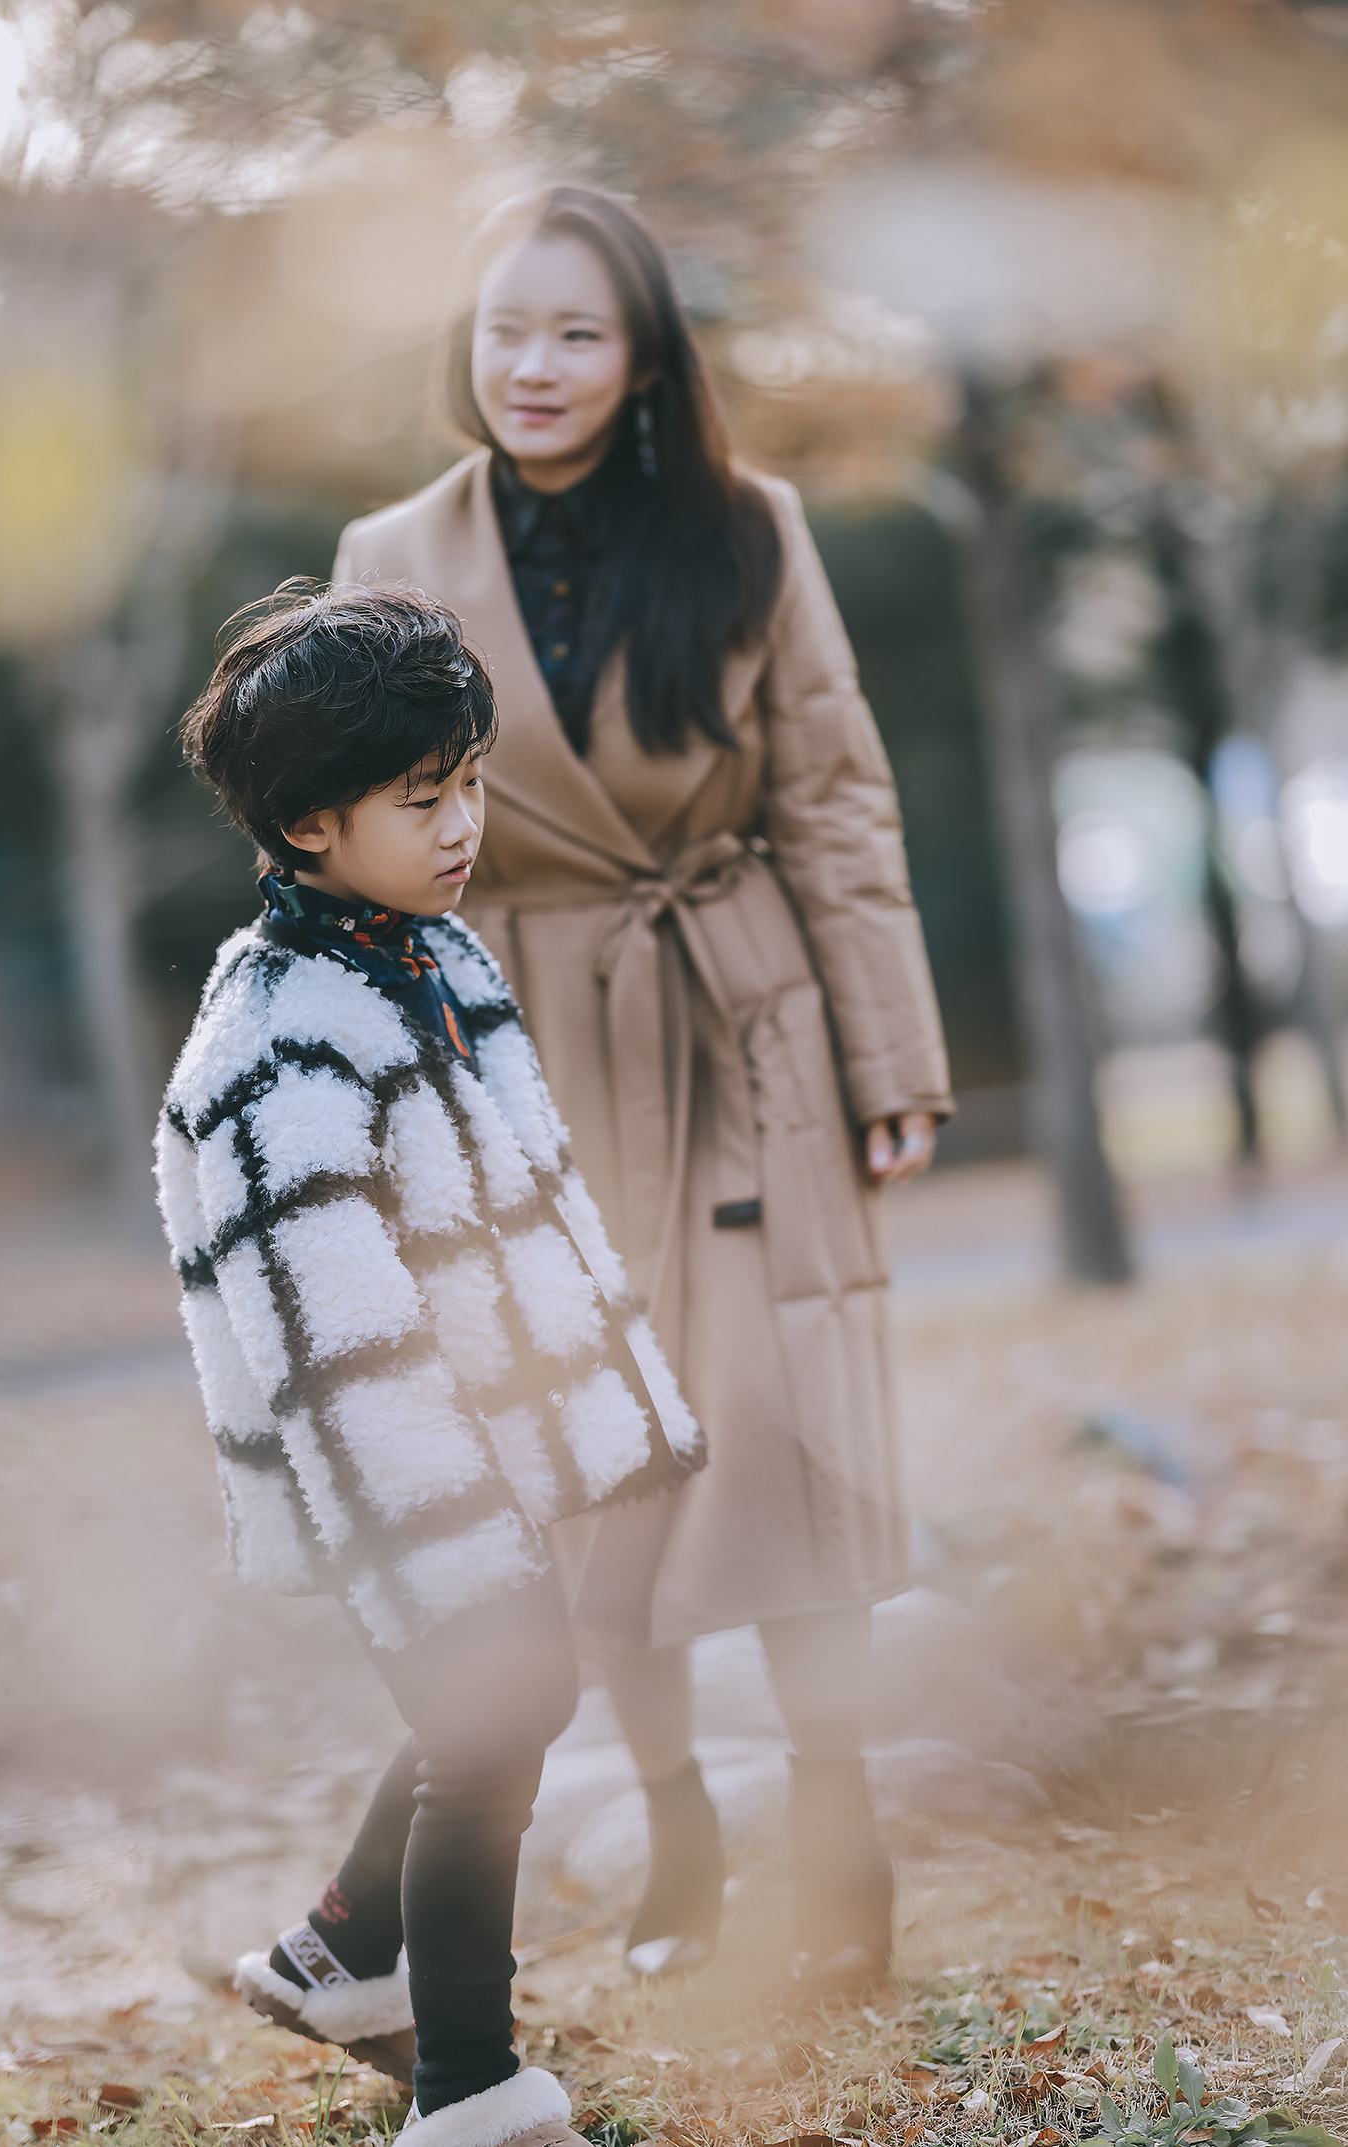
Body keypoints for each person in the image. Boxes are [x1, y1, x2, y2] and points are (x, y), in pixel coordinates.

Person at [331, 186, 954, 2000]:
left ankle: (837, 1822)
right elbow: (355, 844)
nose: (533, 364)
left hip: (744, 1026)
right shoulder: (390, 550)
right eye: (506, 328)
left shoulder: (751, 532)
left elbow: (834, 795)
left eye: (578, 332)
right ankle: (677, 1815)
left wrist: (891, 1059)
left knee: (795, 1444)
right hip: (517, 1047)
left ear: (644, 359)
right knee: (583, 1467)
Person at [153, 583, 703, 2145]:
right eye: (421, 798)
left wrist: (586, 1399)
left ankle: (336, 1952)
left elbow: (521, 1193)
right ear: (309, 825)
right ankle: (469, 2088)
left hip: (491, 1428)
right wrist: (446, 1511)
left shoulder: (432, 955)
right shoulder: (276, 1043)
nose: (464, 823)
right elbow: (331, 1336)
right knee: (492, 1725)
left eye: (469, 782)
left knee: (505, 1703)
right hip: (392, 1458)